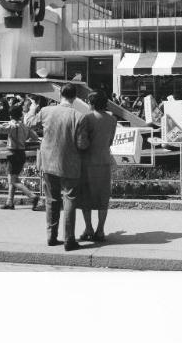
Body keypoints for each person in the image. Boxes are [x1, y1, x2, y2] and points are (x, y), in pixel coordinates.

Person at [26, 83, 83, 251]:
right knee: (70, 199)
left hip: (48, 162)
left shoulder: (46, 111)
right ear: (75, 97)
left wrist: (32, 108)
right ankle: (69, 239)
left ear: (60, 96)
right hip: (70, 164)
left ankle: (51, 237)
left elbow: (29, 122)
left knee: (51, 200)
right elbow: (82, 143)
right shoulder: (78, 116)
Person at [76, 90, 118, 242]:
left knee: (86, 197)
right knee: (102, 198)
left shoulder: (87, 118)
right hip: (104, 161)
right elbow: (111, 141)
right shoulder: (112, 119)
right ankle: (100, 230)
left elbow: (81, 143)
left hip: (88, 163)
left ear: (92, 104)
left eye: (88, 102)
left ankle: (89, 227)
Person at [0, 105, 40, 211]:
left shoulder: (11, 125)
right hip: (22, 154)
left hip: (13, 154)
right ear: (20, 115)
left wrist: (7, 124)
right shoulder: (25, 126)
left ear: (11, 115)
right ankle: (9, 202)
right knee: (14, 178)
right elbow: (35, 137)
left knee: (12, 180)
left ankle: (32, 196)